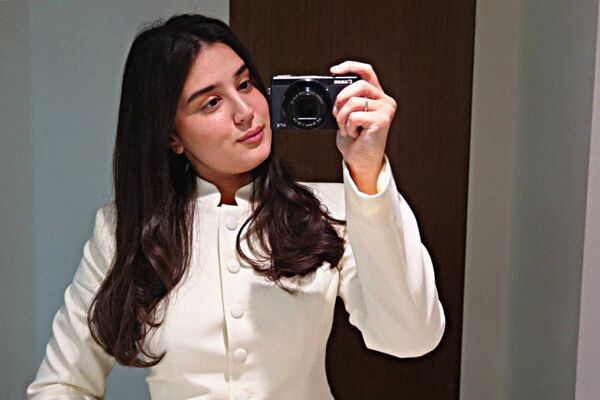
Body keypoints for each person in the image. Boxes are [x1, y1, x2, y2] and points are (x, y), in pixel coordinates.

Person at [27, 14, 445, 400]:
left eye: (244, 84)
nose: (246, 112)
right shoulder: (123, 230)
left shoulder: (331, 211)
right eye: (211, 102)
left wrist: (367, 173)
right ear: (171, 136)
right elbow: (61, 384)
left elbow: (410, 338)